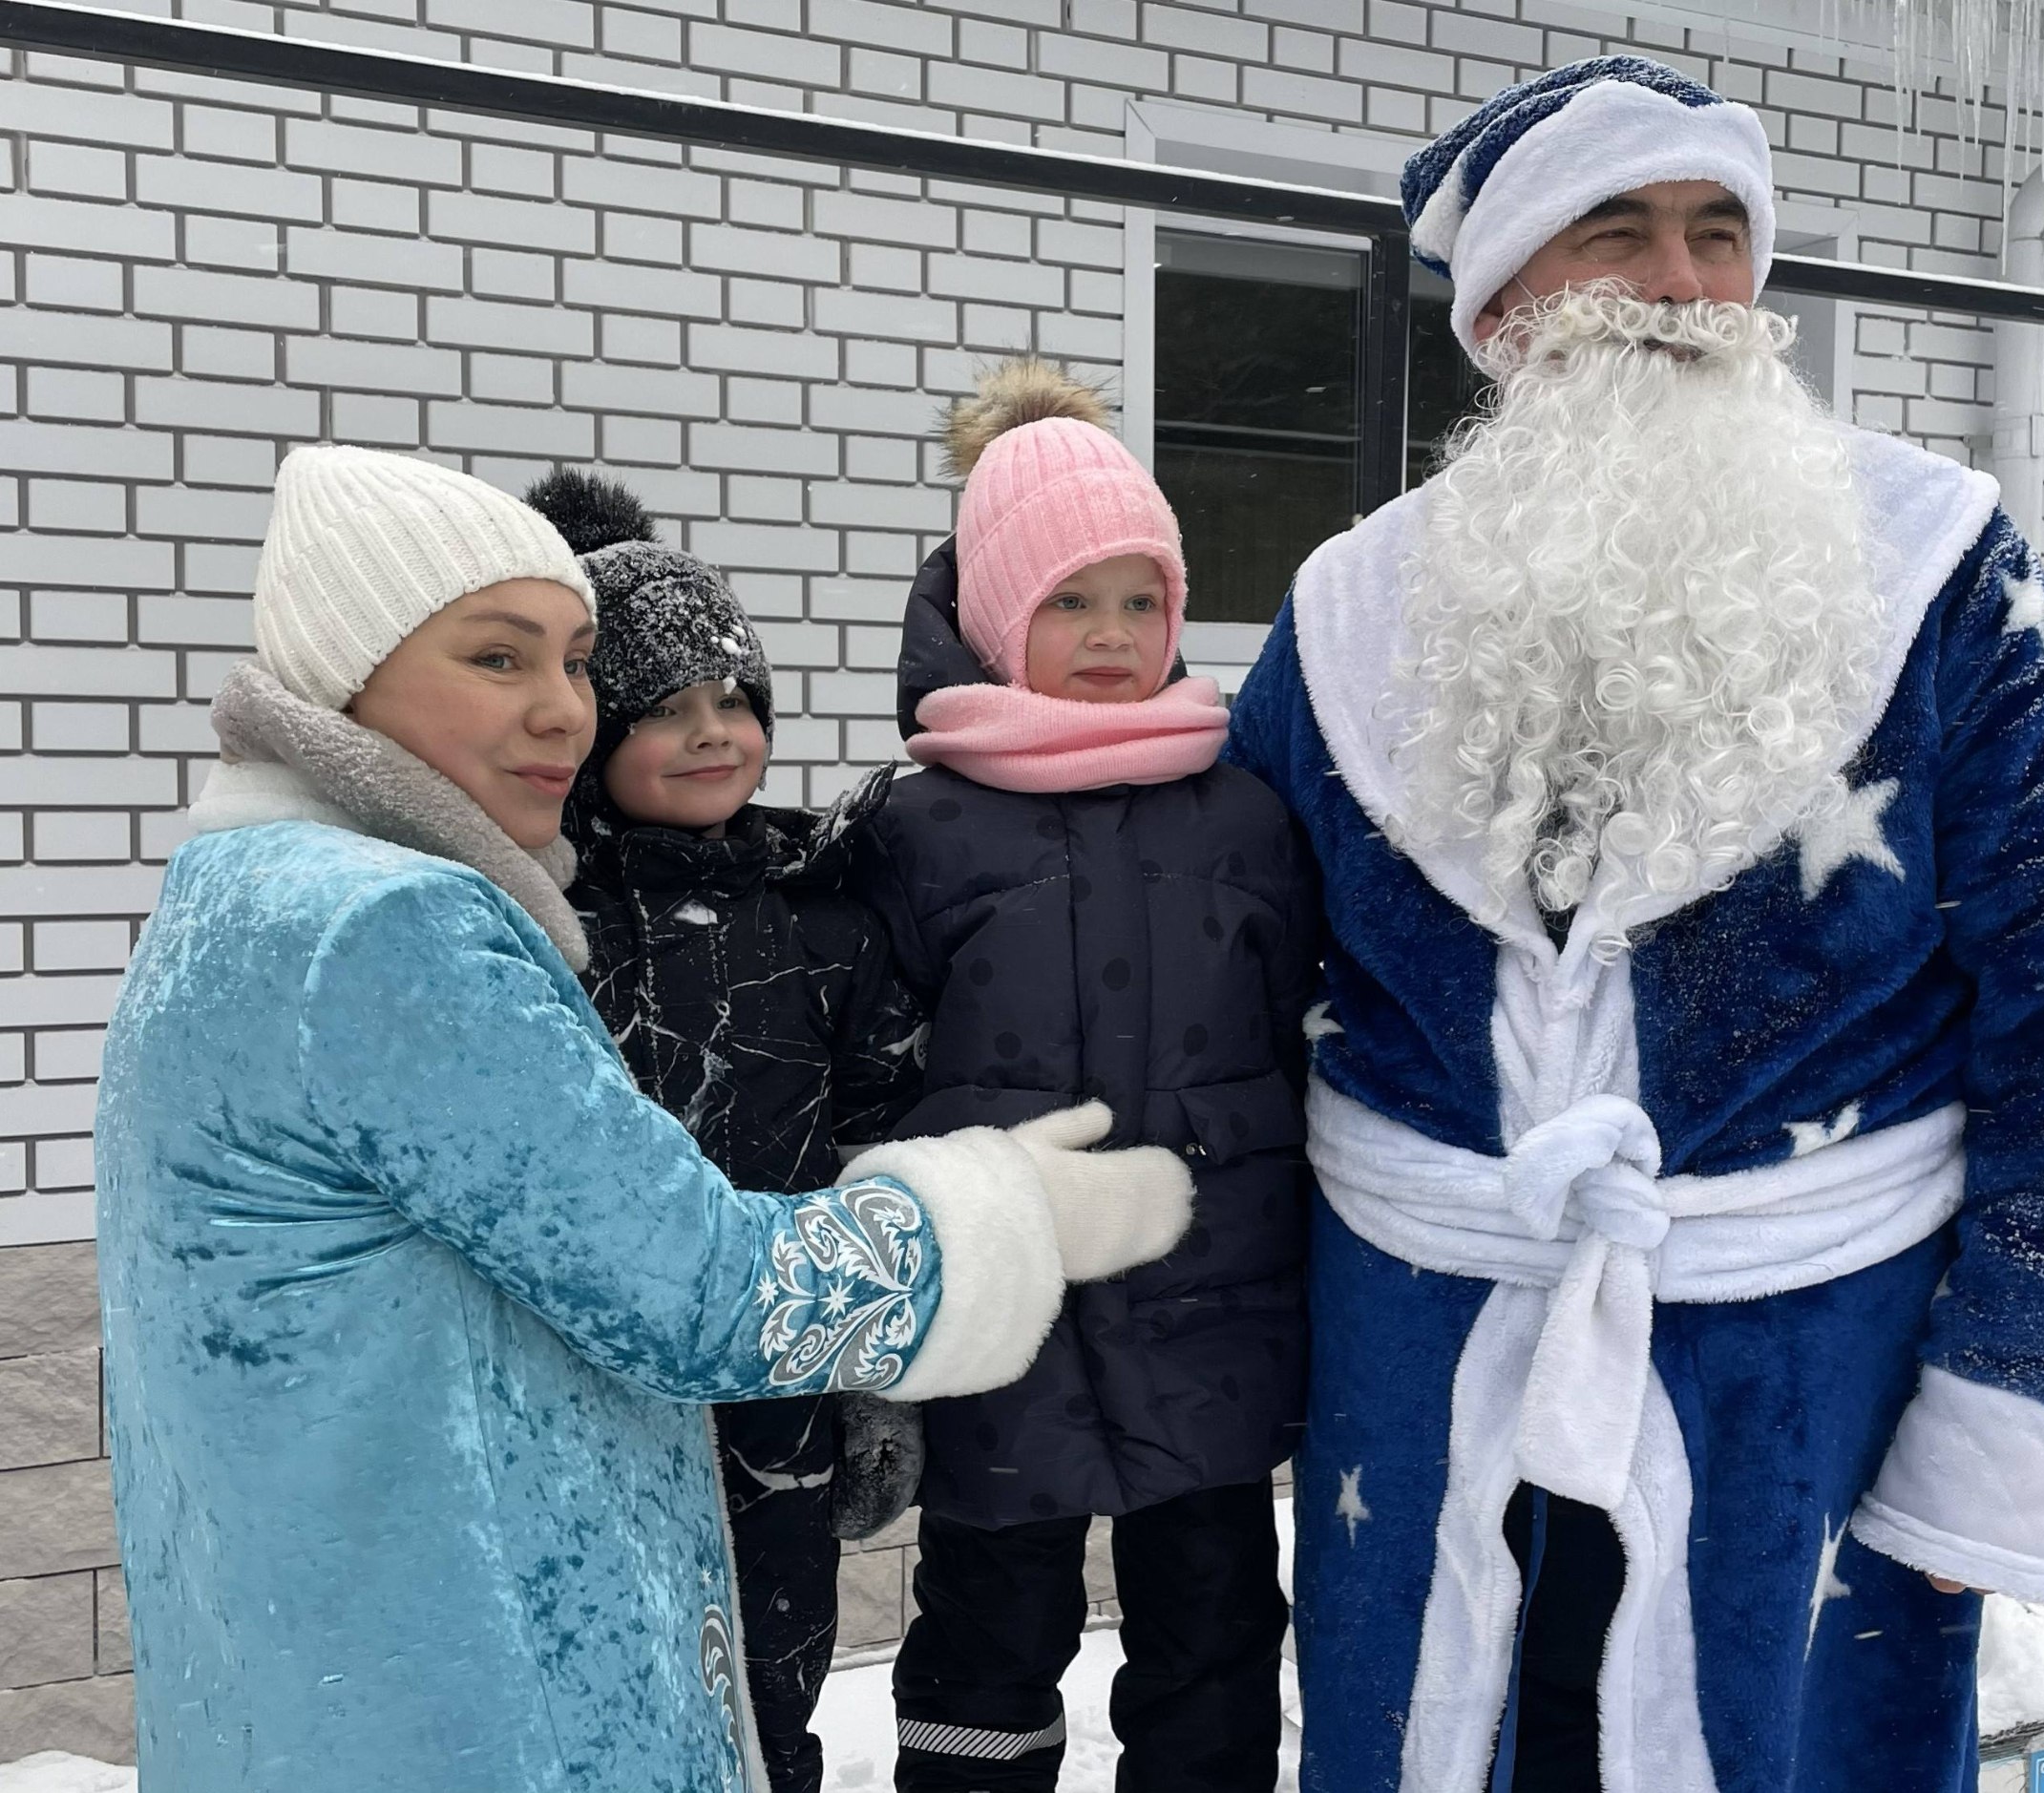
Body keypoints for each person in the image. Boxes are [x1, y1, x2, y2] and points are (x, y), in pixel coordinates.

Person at [1223, 57, 2044, 1793]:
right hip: (1435, 1371)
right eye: (1619, 233)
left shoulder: (1943, 580)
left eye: (1717, 234)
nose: (1684, 287)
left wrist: (2017, 1415)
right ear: (1505, 304)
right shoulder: (1347, 617)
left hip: (1805, 1397)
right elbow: (1224, 999)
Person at [92, 444, 1194, 1793]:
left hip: (304, 1679)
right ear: (347, 667)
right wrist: (1005, 1213)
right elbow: (707, 1295)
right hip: (471, 1708)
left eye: (572, 659)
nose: (562, 708)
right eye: (499, 659)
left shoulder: (234, 892)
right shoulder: (390, 929)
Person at [853, 361, 1319, 1793]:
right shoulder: (920, 825)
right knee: (988, 1640)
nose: (1113, 636)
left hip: (1212, 1304)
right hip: (1011, 1313)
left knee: (1217, 1637)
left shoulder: (1243, 809)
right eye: (1070, 602)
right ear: (998, 615)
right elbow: (868, 1063)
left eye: (1141, 601)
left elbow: (1305, 1010)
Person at [530, 469, 928, 1793]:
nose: (713, 734)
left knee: (771, 1686)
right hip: (592, 1386)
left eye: (735, 702)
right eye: (668, 711)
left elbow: (882, 1136)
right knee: (601, 1683)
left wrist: (875, 1371)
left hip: (781, 1389)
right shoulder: (539, 911)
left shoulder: (820, 905)